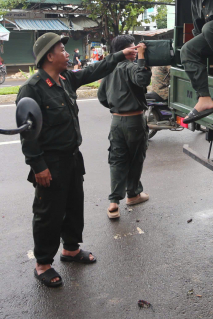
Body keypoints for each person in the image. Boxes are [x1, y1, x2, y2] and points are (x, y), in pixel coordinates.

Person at [16, 32, 136, 288]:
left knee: (73, 206)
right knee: (48, 213)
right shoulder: (32, 88)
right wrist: (38, 166)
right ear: (49, 56)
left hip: (72, 157)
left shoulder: (66, 79)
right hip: (50, 162)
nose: (67, 53)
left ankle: (70, 249)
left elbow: (95, 70)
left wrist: (120, 55)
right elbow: (27, 135)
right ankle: (43, 264)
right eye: (62, 49)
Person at [97, 35, 151, 219]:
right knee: (136, 158)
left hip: (116, 121)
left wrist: (116, 107)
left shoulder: (109, 68)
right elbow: (143, 80)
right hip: (134, 120)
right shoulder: (130, 66)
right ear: (127, 50)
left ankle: (113, 203)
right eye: (134, 49)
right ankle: (133, 194)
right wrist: (143, 57)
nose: (136, 51)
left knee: (117, 159)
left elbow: (102, 97)